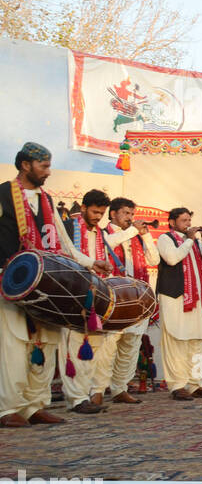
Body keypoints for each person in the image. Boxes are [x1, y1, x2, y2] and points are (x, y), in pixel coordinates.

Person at [0, 143, 111, 428]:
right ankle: (8, 408)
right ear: (26, 165)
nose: (48, 172)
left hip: (47, 285)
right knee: (15, 347)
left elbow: (63, 242)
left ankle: (35, 406)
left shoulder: (48, 201)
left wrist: (90, 263)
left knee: (46, 345)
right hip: (12, 282)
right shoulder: (2, 194)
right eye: (44, 166)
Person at [94, 197, 159, 406]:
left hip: (137, 299)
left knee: (131, 345)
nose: (130, 218)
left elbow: (154, 260)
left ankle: (120, 388)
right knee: (108, 347)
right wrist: (133, 230)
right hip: (115, 300)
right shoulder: (103, 234)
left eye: (132, 214)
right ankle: (97, 390)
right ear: (113, 214)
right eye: (126, 214)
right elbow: (108, 245)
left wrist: (146, 235)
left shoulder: (136, 237)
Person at [155, 207, 202, 401]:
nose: (188, 224)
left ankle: (196, 383)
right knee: (176, 341)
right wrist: (190, 239)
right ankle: (178, 385)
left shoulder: (195, 241)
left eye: (189, 220)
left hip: (197, 300)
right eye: (184, 221)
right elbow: (172, 258)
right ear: (172, 222)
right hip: (175, 299)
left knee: (197, 341)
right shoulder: (165, 239)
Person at [60, 189, 115, 414]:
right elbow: (67, 253)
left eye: (101, 213)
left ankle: (86, 394)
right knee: (73, 346)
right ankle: (76, 398)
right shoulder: (69, 226)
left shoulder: (100, 233)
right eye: (94, 212)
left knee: (92, 347)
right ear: (83, 208)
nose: (98, 217)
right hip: (72, 292)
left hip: (94, 296)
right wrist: (93, 263)